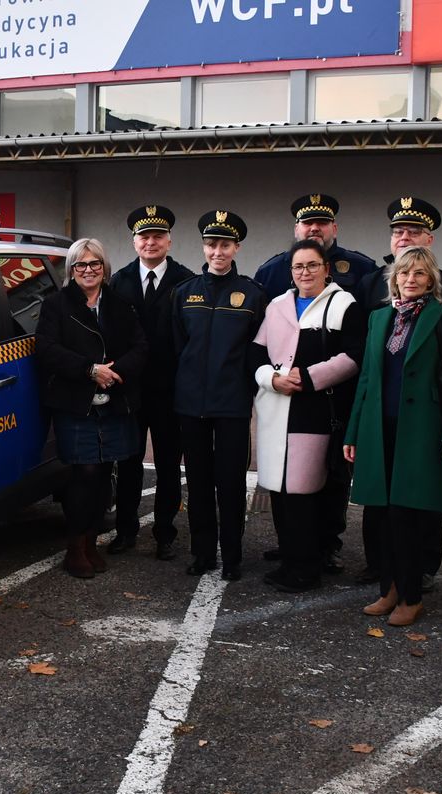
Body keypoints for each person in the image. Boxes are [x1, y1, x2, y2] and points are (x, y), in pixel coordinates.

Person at [344, 246, 442, 626]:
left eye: (419, 273)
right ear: (394, 279)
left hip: (421, 430)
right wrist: (353, 431)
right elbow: (367, 380)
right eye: (404, 273)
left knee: (409, 514)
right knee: (380, 512)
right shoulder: (379, 318)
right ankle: (389, 588)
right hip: (377, 427)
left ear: (431, 279)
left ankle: (412, 595)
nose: (410, 279)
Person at [254, 193, 378, 573]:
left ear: (327, 268)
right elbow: (255, 354)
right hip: (277, 408)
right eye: (298, 266)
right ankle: (292, 551)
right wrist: (270, 379)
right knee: (280, 487)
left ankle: (308, 560)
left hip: (318, 409)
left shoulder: (345, 304)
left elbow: (355, 357)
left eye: (312, 266)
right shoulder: (277, 304)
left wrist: (307, 378)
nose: (304, 272)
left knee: (311, 489)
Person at [353, 196, 442, 591]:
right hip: (379, 406)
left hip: (423, 412)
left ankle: (423, 567)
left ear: (428, 239)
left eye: (412, 232)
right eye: (398, 231)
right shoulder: (371, 284)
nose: (403, 237)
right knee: (377, 493)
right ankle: (378, 565)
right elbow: (363, 353)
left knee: (420, 497)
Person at [35, 238, 149, 578]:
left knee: (104, 473)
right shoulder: (56, 304)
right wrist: (89, 370)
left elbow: (141, 346)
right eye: (81, 265)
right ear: (71, 270)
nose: (88, 270)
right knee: (82, 473)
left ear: (104, 268)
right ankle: (75, 547)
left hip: (114, 400)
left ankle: (90, 542)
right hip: (76, 402)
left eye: (94, 264)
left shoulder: (121, 304)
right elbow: (46, 348)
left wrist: (115, 372)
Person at [171, 210, 266, 582]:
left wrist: (246, 390)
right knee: (197, 482)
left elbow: (258, 350)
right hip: (191, 404)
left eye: (225, 244)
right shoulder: (185, 292)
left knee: (230, 482)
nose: (218, 251)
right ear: (204, 247)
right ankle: (202, 552)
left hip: (232, 405)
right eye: (212, 244)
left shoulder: (254, 295)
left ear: (236, 247)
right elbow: (179, 347)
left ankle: (233, 556)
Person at [105, 205, 196, 560]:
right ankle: (125, 531)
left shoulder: (187, 281)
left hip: (169, 389)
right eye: (144, 236)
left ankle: (165, 534)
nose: (151, 242)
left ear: (169, 241)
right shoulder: (119, 281)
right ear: (134, 241)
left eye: (158, 236)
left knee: (169, 464)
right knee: (127, 462)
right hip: (129, 389)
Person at [254, 193, 379, 300]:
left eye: (322, 222)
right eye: (307, 223)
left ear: (334, 229)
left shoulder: (363, 267)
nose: (314, 228)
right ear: (296, 230)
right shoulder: (270, 271)